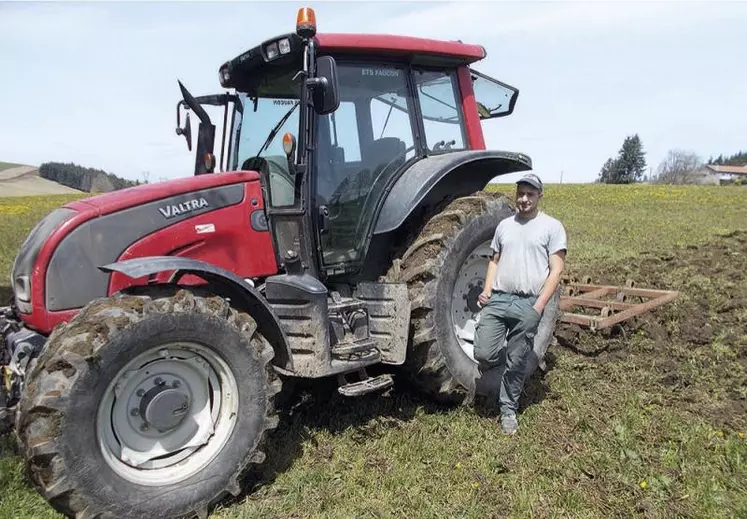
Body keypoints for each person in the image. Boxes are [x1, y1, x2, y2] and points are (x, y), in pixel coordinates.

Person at [474, 173, 567, 435]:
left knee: (516, 362)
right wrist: (486, 290)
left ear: (539, 196)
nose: (524, 199)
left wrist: (538, 307)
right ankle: (510, 356)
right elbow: (494, 260)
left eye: (530, 194)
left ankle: (508, 410)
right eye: (521, 193)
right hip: (499, 298)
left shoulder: (552, 227)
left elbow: (556, 271)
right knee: (483, 353)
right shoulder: (504, 226)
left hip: (528, 302)